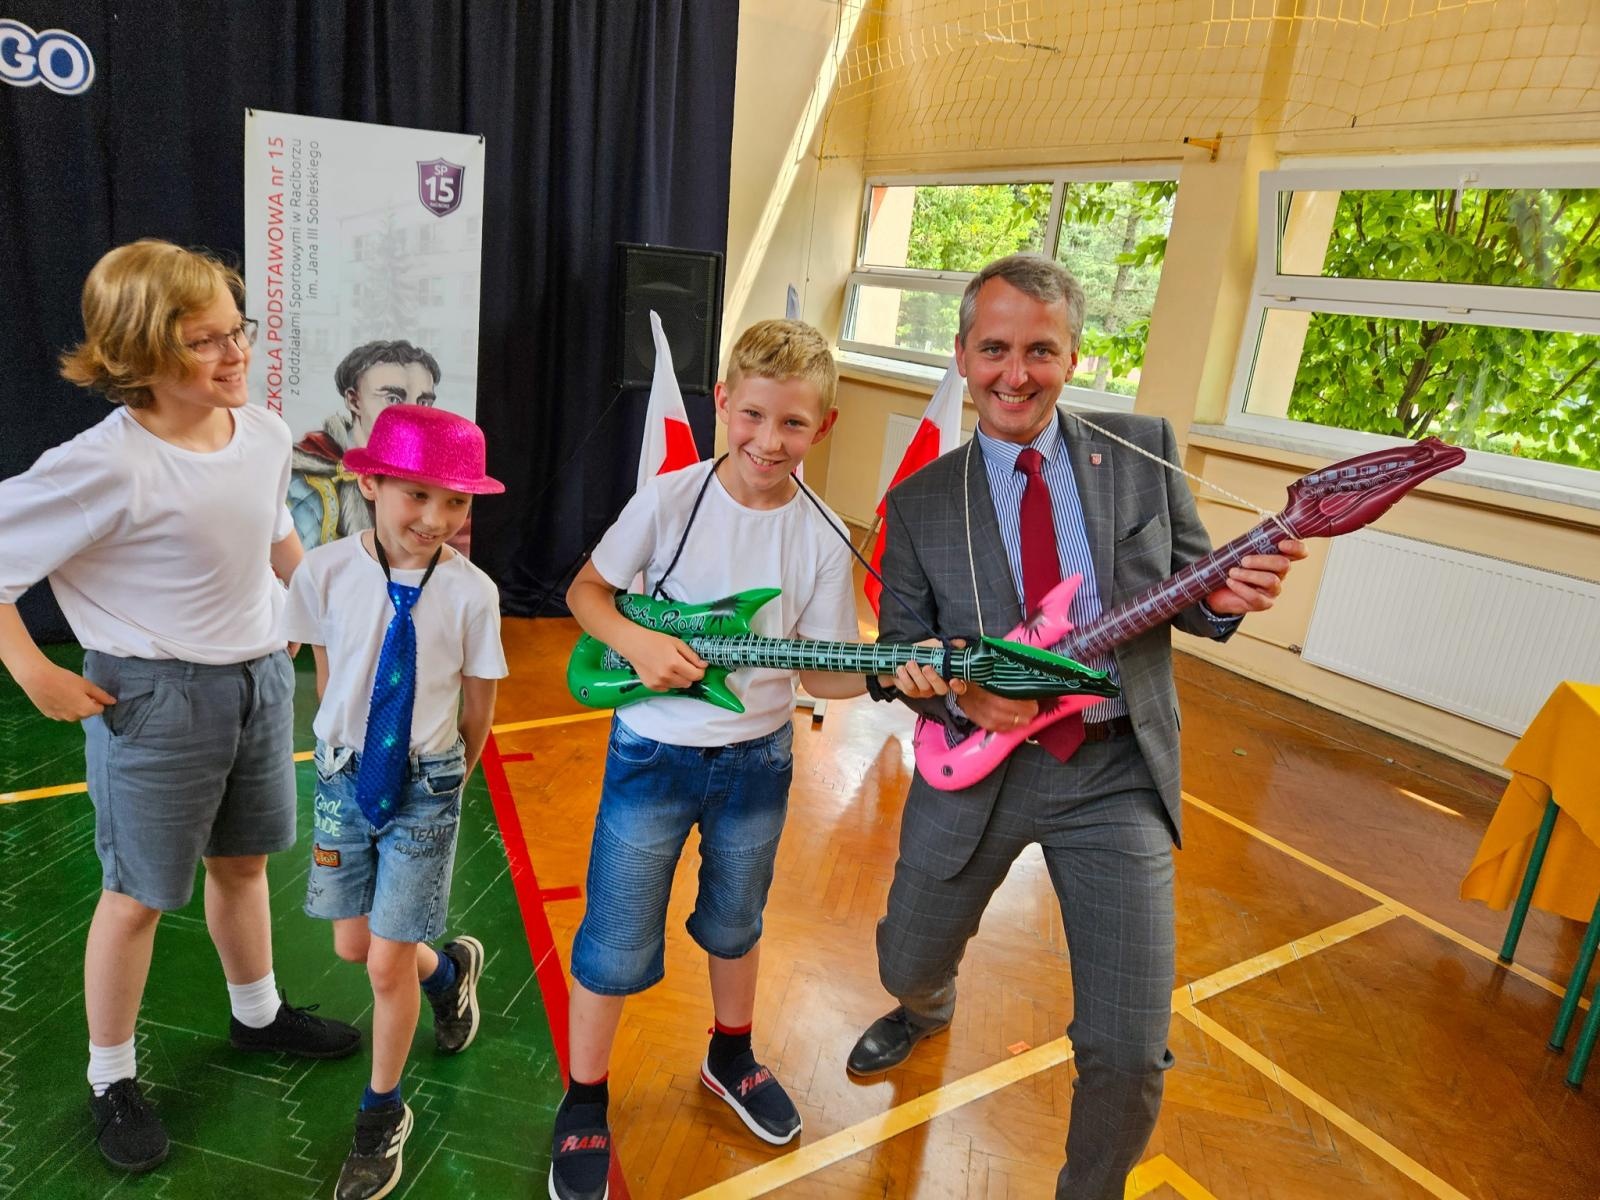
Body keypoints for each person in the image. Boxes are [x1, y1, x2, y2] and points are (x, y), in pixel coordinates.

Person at [845, 254, 1306, 1199]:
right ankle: (926, 1008)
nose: (1017, 373)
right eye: (996, 349)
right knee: (906, 958)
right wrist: (959, 696)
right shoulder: (922, 502)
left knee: (1129, 1049)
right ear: (965, 355)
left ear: (1074, 354)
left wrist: (1225, 598)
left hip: (1114, 773)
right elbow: (899, 649)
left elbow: (1192, 596)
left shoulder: (1141, 453)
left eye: (1041, 351)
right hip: (979, 772)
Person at [547, 319, 942, 1200]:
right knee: (613, 940)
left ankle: (732, 1054)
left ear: (823, 429)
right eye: (753, 416)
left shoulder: (817, 536)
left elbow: (823, 673)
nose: (769, 442)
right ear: (723, 403)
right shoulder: (671, 500)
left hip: (758, 763)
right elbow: (586, 592)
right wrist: (637, 646)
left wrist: (892, 676)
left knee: (736, 922)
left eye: (793, 425)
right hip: (651, 754)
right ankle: (584, 1098)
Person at [0, 239, 362, 1174]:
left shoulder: (267, 432)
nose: (235, 353)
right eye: (206, 342)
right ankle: (110, 1077)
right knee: (135, 899)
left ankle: (258, 1015)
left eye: (236, 330)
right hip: (155, 699)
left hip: (259, 681)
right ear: (139, 355)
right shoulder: (104, 465)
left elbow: (275, 532)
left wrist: (325, 614)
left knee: (244, 868)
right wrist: (34, 669)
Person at [282, 403, 507, 1200]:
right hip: (345, 777)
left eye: (456, 502)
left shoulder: (473, 593)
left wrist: (457, 776)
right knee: (355, 948)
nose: (436, 518)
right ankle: (447, 973)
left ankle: (382, 1114)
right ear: (369, 482)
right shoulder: (325, 571)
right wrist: (335, 747)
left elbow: (478, 701)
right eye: (417, 495)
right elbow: (323, 666)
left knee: (383, 964)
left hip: (429, 784)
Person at [287, 339, 441, 550]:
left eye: (423, 402)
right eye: (393, 399)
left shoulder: (438, 479)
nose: (412, 415)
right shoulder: (305, 476)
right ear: (354, 400)